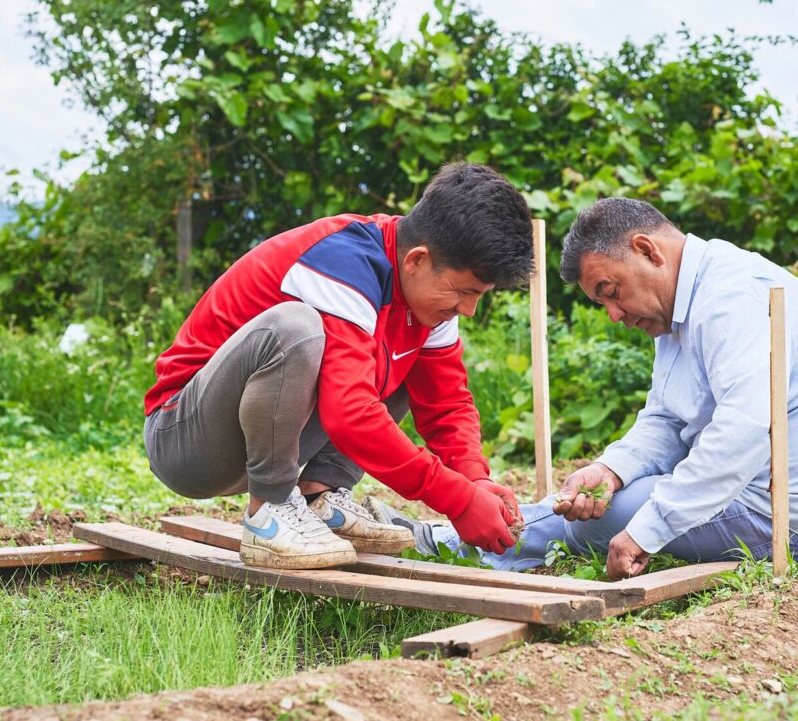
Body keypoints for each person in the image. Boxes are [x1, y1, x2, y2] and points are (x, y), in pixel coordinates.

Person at [390, 197, 798, 579]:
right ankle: (456, 540)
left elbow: (742, 435)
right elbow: (668, 419)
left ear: (648, 251)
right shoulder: (683, 307)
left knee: (607, 519)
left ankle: (450, 545)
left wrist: (647, 531)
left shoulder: (731, 300)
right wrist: (611, 469)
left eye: (611, 291)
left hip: (796, 520)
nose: (615, 315)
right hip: (761, 495)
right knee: (611, 498)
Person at [144, 163, 532, 569]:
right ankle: (270, 509)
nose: (468, 310)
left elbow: (447, 404)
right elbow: (349, 415)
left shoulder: (430, 302)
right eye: (465, 292)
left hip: (268, 436)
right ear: (417, 260)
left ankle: (320, 496)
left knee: (401, 354)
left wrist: (475, 479)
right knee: (294, 328)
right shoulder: (344, 259)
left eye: (479, 296)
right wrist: (456, 499)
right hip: (186, 439)